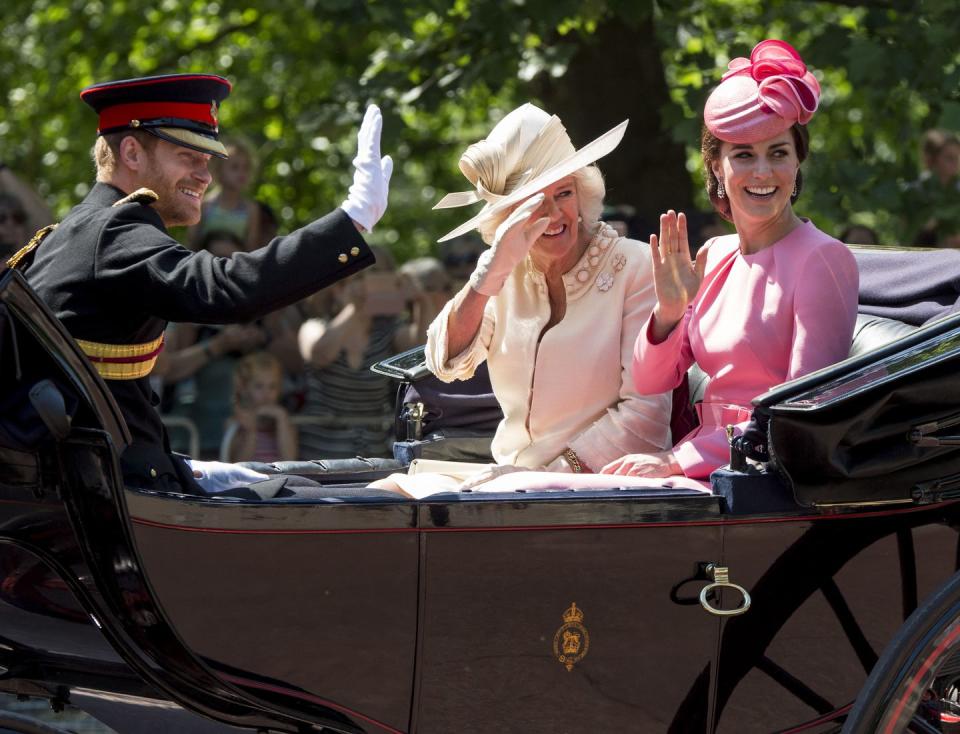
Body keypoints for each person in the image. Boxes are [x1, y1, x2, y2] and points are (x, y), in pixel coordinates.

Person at [8, 73, 392, 496]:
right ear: (132, 152)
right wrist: (351, 220)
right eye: (189, 156)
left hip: (103, 481)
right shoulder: (116, 230)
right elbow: (224, 288)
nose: (205, 175)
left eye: (207, 160)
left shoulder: (77, 228)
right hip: (112, 491)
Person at [374, 103, 672, 495]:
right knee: (383, 497)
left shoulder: (635, 266)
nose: (552, 213)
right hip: (508, 481)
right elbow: (444, 361)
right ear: (506, 216)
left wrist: (547, 475)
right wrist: (489, 275)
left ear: (582, 195)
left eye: (563, 193)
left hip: (604, 487)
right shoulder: (503, 270)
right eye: (532, 202)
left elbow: (645, 417)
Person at [601, 39, 859, 481]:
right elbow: (649, 382)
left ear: (798, 162)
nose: (763, 172)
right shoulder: (715, 254)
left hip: (765, 477)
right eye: (743, 155)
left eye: (778, 153)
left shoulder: (823, 259)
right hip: (706, 463)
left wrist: (676, 461)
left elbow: (797, 414)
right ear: (717, 167)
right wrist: (666, 314)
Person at [296, 246, 425, 459]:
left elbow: (420, 355)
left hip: (372, 454)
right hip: (319, 453)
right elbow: (320, 354)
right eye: (356, 279)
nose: (365, 286)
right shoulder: (314, 326)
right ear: (336, 290)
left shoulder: (389, 332)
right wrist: (355, 309)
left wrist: (420, 300)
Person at [222, 351, 297, 462]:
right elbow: (240, 464)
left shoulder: (284, 422)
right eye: (258, 386)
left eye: (272, 386)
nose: (266, 393)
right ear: (244, 389)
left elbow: (290, 460)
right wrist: (251, 431)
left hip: (280, 478)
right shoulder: (236, 424)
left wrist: (282, 420)